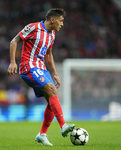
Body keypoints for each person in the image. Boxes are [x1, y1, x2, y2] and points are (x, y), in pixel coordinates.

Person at [7, 8, 75, 146]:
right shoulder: (33, 28)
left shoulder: (52, 35)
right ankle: (63, 126)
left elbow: (49, 54)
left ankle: (42, 134)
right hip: (29, 67)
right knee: (52, 90)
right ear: (52, 20)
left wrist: (55, 73)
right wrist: (13, 62)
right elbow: (13, 42)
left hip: (42, 69)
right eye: (61, 21)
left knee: (51, 100)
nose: (62, 24)